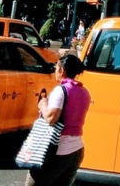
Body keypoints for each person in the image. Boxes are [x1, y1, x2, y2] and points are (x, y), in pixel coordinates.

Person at [25, 52, 91, 186]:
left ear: (62, 70)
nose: (55, 71)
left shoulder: (61, 91)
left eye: (56, 69)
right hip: (76, 150)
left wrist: (43, 104)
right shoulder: (84, 92)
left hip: (57, 151)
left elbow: (51, 118)